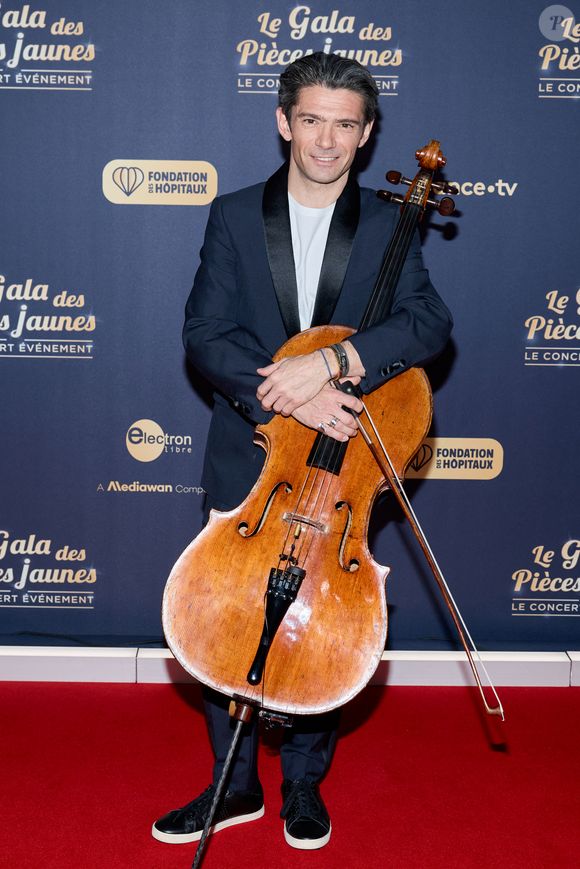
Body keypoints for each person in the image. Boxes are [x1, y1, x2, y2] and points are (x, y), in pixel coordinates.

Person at [153, 51, 452, 850]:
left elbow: (426, 324)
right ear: (285, 122)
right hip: (253, 458)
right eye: (312, 119)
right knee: (225, 615)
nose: (326, 139)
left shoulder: (392, 225)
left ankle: (304, 786)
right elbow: (205, 334)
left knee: (321, 619)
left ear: (365, 135)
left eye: (345, 124)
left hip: (339, 469)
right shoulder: (232, 213)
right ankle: (235, 784)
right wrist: (288, 395)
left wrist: (334, 362)